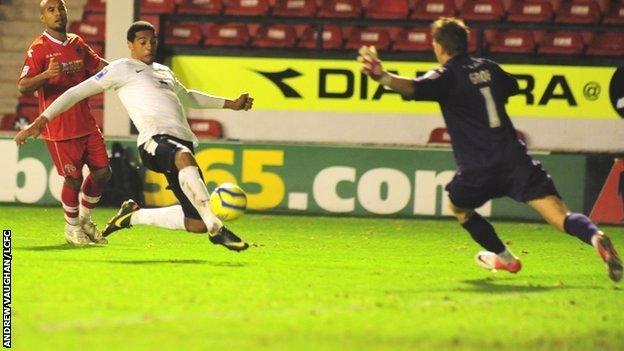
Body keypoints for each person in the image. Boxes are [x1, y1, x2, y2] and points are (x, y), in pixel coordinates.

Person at [358, 17, 622, 282]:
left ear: (439, 46)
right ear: (465, 42)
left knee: (459, 208)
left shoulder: (445, 75)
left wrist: (381, 76)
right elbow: (513, 86)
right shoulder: (490, 68)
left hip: (479, 167)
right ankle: (596, 237)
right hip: (515, 159)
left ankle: (506, 260)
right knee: (561, 217)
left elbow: (413, 87)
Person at [15, 21, 252, 252]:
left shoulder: (164, 71)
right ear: (131, 45)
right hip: (154, 141)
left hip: (181, 141)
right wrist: (42, 119)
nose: (149, 46)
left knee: (195, 222)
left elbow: (188, 96)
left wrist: (231, 103)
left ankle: (133, 216)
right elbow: (76, 92)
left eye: (152, 41)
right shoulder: (121, 68)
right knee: (183, 158)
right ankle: (216, 226)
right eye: (142, 42)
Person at [17, 0, 110, 245]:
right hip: (59, 128)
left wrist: (127, 72)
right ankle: (72, 228)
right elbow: (23, 86)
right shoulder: (38, 49)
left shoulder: (77, 43)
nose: (57, 13)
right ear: (42, 18)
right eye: (51, 10)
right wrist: (46, 75)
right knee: (73, 179)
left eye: (61, 8)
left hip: (86, 124)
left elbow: (100, 67)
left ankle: (86, 219)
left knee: (103, 172)